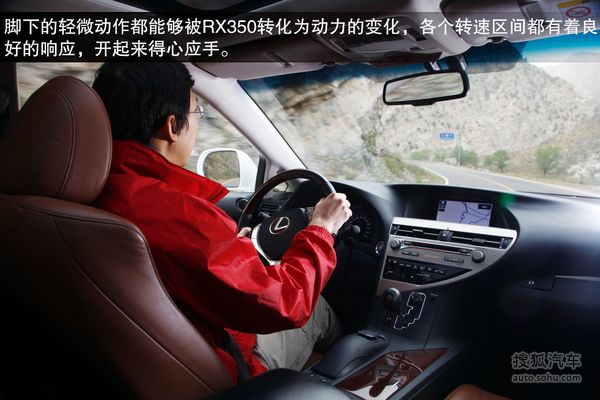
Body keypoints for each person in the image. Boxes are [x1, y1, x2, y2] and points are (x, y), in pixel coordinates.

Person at [92, 62, 352, 383]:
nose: (197, 121)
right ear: (172, 126)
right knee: (317, 310)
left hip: (139, 368)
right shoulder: (182, 217)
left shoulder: (90, 189)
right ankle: (341, 379)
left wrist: (232, 247)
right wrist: (321, 229)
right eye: (197, 111)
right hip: (223, 370)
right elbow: (286, 303)